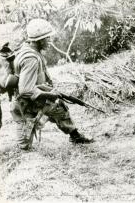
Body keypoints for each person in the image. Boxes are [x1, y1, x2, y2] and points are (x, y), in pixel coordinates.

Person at [10, 18, 93, 150]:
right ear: (39, 40)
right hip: (26, 106)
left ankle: (75, 136)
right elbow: (25, 90)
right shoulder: (31, 58)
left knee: (59, 107)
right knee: (24, 146)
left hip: (35, 100)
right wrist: (49, 94)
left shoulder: (29, 50)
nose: (49, 41)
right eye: (47, 38)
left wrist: (50, 91)